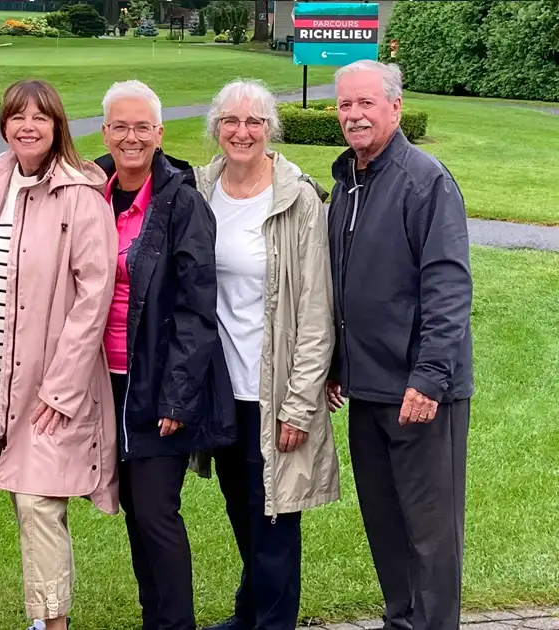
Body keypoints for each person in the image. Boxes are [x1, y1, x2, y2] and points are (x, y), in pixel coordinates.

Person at [327, 60, 473, 630]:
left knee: (431, 535)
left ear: (395, 108)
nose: (354, 116)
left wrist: (429, 377)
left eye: (366, 104)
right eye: (345, 105)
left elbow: (448, 286)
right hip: (367, 390)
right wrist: (340, 365)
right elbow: (347, 284)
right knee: (385, 525)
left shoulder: (424, 179)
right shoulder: (349, 183)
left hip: (420, 392)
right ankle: (401, 621)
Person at [0, 79, 118, 630]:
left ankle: (53, 623)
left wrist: (62, 387)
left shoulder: (79, 195)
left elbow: (93, 297)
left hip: (50, 382)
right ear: (4, 125)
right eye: (16, 117)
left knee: (37, 503)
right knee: (22, 499)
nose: (27, 126)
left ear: (58, 126)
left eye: (40, 117)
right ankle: (42, 617)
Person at [192, 79, 339, 630]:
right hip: (221, 392)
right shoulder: (202, 188)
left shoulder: (296, 198)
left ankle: (272, 623)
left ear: (270, 128)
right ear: (216, 126)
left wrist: (299, 405)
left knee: (275, 518)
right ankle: (250, 612)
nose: (242, 131)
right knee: (242, 511)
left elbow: (316, 310)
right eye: (231, 120)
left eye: (254, 121)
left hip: (274, 391)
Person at [91, 80, 235, 630]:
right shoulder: (90, 191)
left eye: (142, 127)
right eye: (120, 126)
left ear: (159, 133)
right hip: (104, 381)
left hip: (157, 383)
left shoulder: (182, 201)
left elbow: (198, 310)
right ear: (105, 130)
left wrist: (179, 396)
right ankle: (155, 617)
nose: (131, 137)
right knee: (134, 511)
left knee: (155, 511)